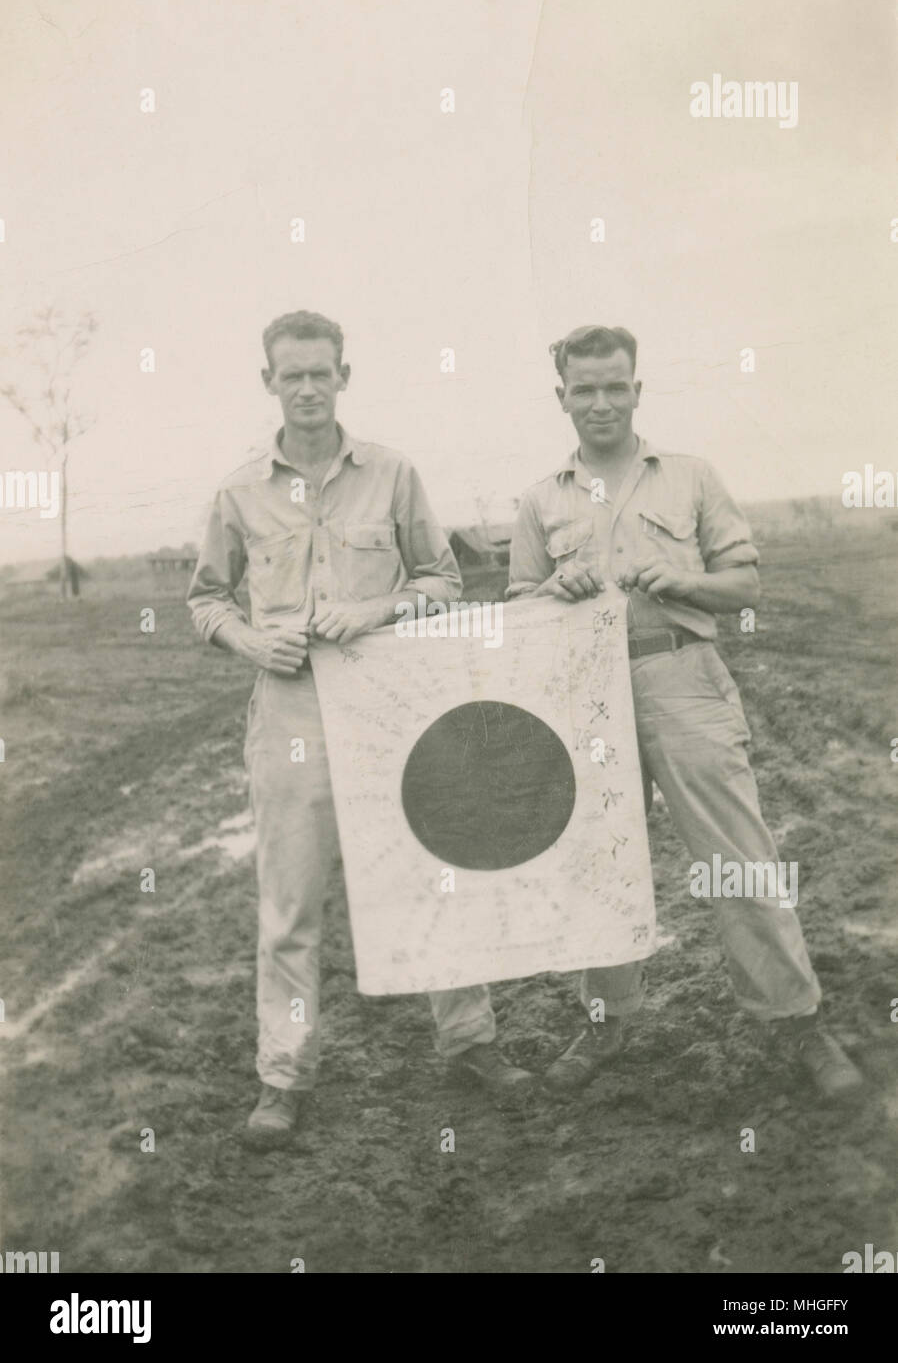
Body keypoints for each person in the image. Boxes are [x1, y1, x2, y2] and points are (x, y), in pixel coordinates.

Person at [187, 310, 531, 1149]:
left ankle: (470, 1041)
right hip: (290, 713)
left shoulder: (393, 474)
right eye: (290, 374)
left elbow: (443, 581)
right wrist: (248, 638)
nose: (307, 387)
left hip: (392, 712)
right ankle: (283, 1077)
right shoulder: (238, 492)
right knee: (292, 904)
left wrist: (374, 611)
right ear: (267, 381)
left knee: (431, 873)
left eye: (321, 372)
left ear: (345, 375)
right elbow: (206, 599)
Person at [504, 323, 862, 1100]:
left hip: (682, 674)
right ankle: (607, 1022)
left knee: (738, 855)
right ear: (561, 396)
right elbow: (517, 611)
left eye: (615, 386)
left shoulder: (691, 478)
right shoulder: (539, 501)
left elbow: (745, 587)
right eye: (584, 389)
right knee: (600, 864)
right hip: (586, 699)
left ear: (638, 390)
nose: (601, 402)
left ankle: (794, 1019)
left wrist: (678, 578)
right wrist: (547, 593)